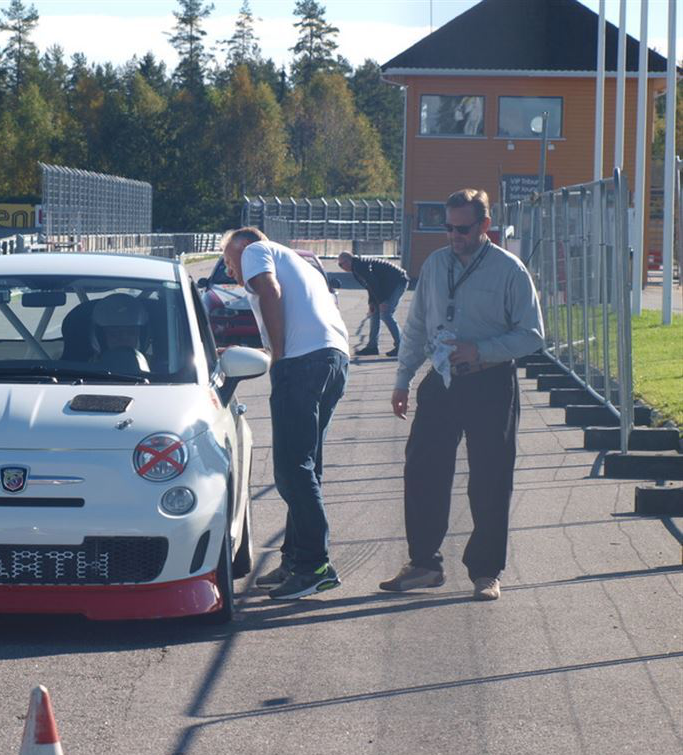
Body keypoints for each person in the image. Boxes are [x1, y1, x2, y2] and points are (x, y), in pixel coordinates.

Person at [382, 188, 544, 601]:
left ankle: (486, 571)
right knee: (422, 470)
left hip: (490, 382)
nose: (454, 235)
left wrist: (482, 350)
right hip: (442, 381)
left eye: (463, 228)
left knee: (490, 478)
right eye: (448, 227)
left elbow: (532, 336)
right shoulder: (436, 265)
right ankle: (423, 564)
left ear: (485, 226)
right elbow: (417, 326)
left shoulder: (510, 270)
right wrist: (402, 380)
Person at [221, 227, 350, 600]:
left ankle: (315, 566)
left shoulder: (256, 251)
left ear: (243, 246)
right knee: (307, 467)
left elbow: (270, 292)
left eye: (229, 260)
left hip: (302, 364)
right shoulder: (299, 262)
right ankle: (295, 560)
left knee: (291, 469)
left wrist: (277, 356)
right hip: (333, 360)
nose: (230, 269)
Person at [337, 252, 408, 357]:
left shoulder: (359, 266)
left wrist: (382, 301)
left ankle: (401, 346)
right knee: (374, 314)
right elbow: (369, 285)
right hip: (386, 284)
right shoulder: (356, 267)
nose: (341, 267)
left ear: (347, 261)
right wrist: (372, 302)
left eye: (341, 264)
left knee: (386, 314)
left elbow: (372, 282)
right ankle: (372, 347)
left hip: (397, 281)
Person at [91, 293, 150, 373]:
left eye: (130, 333)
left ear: (141, 337)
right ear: (100, 338)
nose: (123, 338)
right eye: (114, 333)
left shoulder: (161, 373)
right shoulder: (84, 372)